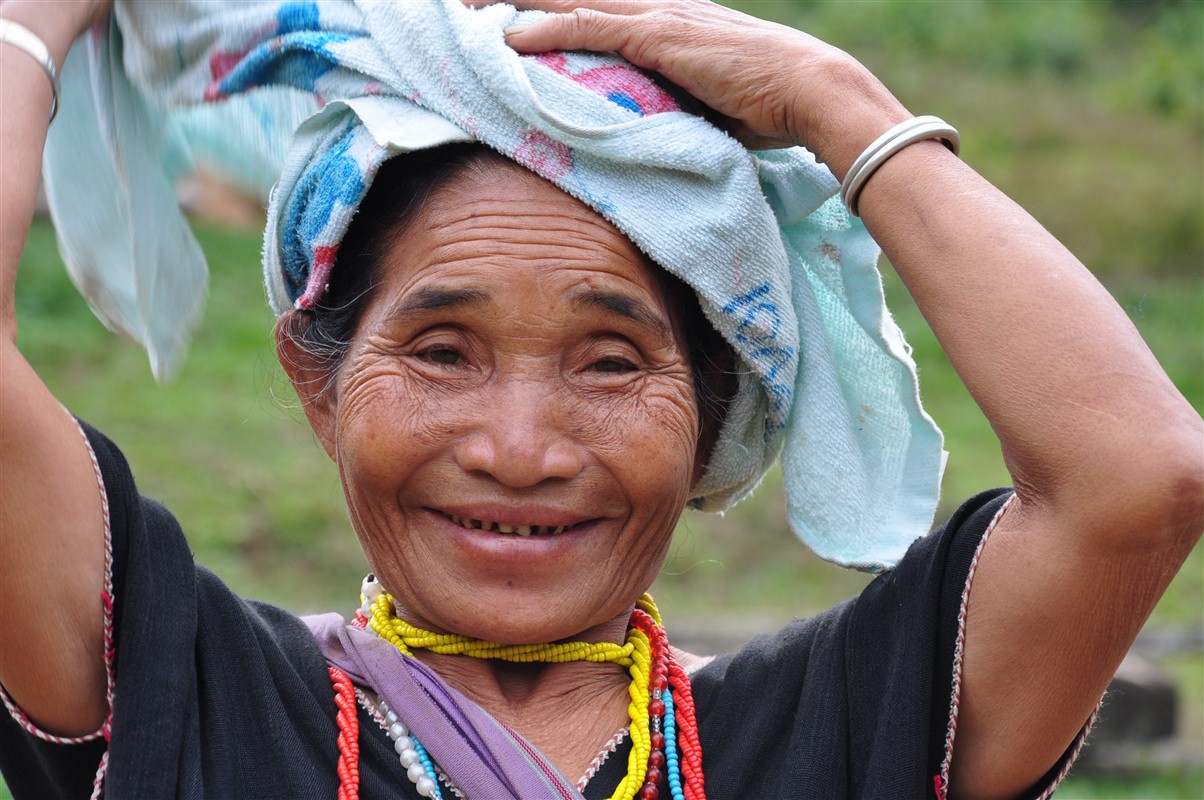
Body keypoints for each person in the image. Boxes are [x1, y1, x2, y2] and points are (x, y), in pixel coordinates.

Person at [1, 1, 1200, 799]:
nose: (520, 450)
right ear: (317, 382)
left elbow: (1137, 477)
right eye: (442, 351)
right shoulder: (182, 696)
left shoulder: (836, 733)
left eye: (612, 362)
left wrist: (839, 104)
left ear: (714, 404)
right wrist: (30, 25)